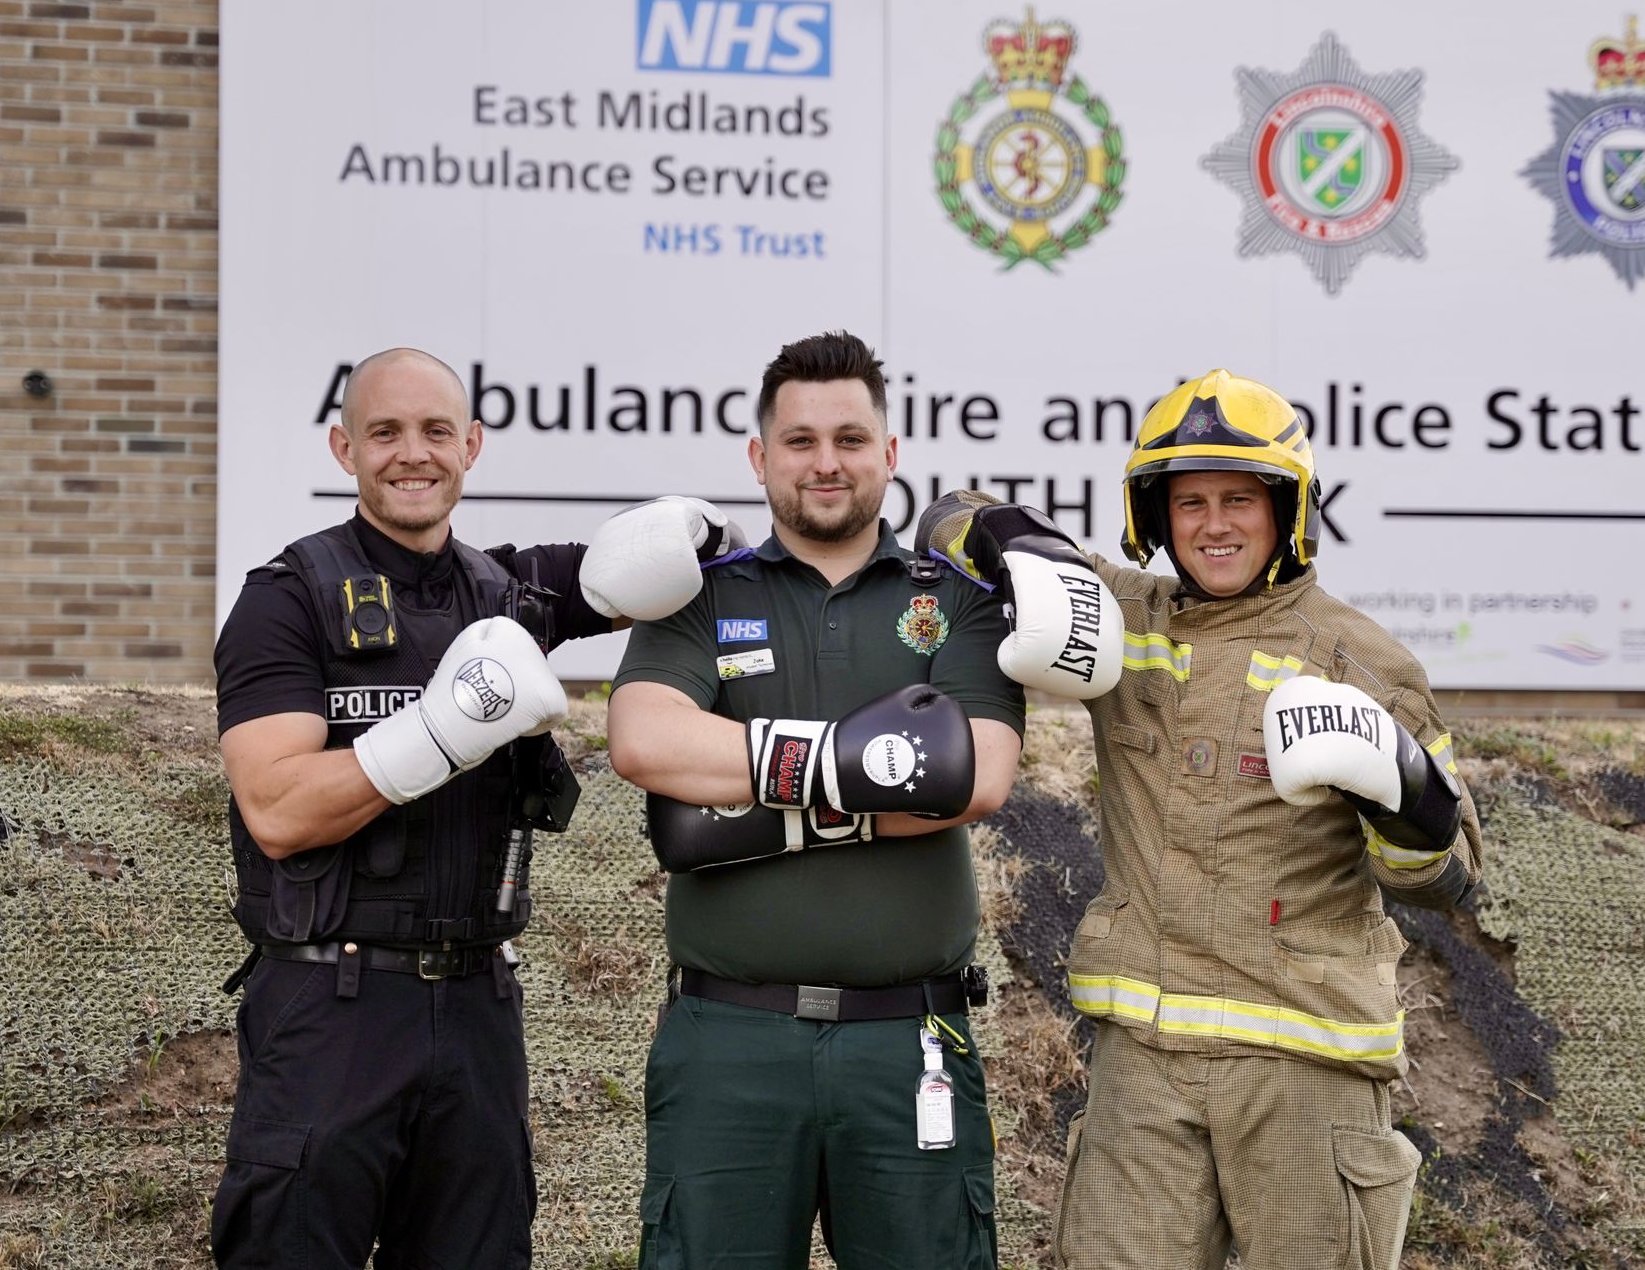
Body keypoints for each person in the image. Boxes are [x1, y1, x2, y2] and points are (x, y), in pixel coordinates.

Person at [918, 369, 1485, 1270]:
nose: (1214, 524)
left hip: (1306, 1073)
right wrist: (1021, 543)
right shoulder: (1122, 618)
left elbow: (1447, 879)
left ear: (1290, 510)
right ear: (1157, 517)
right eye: (1189, 503)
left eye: (1238, 500)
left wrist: (1404, 790)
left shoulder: (1363, 661)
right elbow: (948, 515)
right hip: (1144, 1070)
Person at [211, 346, 729, 1269]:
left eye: (436, 431)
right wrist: (440, 730)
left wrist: (714, 537)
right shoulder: (285, 601)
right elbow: (278, 810)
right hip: (330, 1003)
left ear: (473, 445)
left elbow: (653, 570)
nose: (413, 453)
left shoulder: (506, 592)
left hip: (479, 1009)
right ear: (344, 449)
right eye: (385, 432)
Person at [605, 330, 1035, 1270]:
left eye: (850, 438)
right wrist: (883, 765)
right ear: (760, 459)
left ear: (890, 453)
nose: (825, 462)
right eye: (799, 441)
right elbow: (643, 740)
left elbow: (978, 776)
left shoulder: (957, 602)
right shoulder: (701, 596)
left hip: (907, 1044)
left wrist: (749, 808)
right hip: (730, 1043)